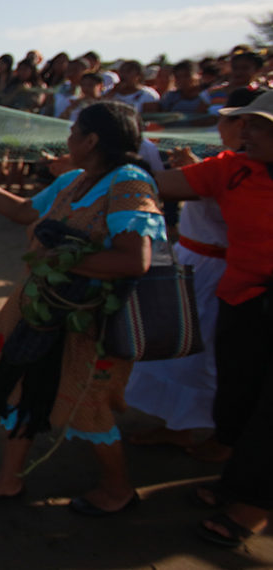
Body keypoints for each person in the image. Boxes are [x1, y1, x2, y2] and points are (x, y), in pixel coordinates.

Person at [0, 101, 165, 515]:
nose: (67, 140)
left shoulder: (130, 183)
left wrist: (60, 262)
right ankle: (8, 479)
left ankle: (118, 490)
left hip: (89, 323)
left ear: (92, 140)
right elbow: (22, 212)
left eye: (73, 132)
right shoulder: (75, 180)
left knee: (88, 405)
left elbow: (134, 260)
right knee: (22, 387)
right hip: (43, 310)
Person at [152, 90, 273, 548]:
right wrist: (108, 171)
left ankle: (252, 506)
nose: (249, 132)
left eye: (260, 125)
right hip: (244, 297)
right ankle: (237, 480)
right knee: (238, 394)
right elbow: (159, 183)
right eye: (247, 123)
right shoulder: (232, 169)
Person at [125, 87, 265, 452]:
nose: (222, 126)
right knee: (176, 353)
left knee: (203, 358)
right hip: (193, 265)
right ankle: (181, 427)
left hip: (215, 271)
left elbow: (170, 189)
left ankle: (219, 437)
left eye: (232, 120)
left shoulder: (237, 169)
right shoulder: (225, 165)